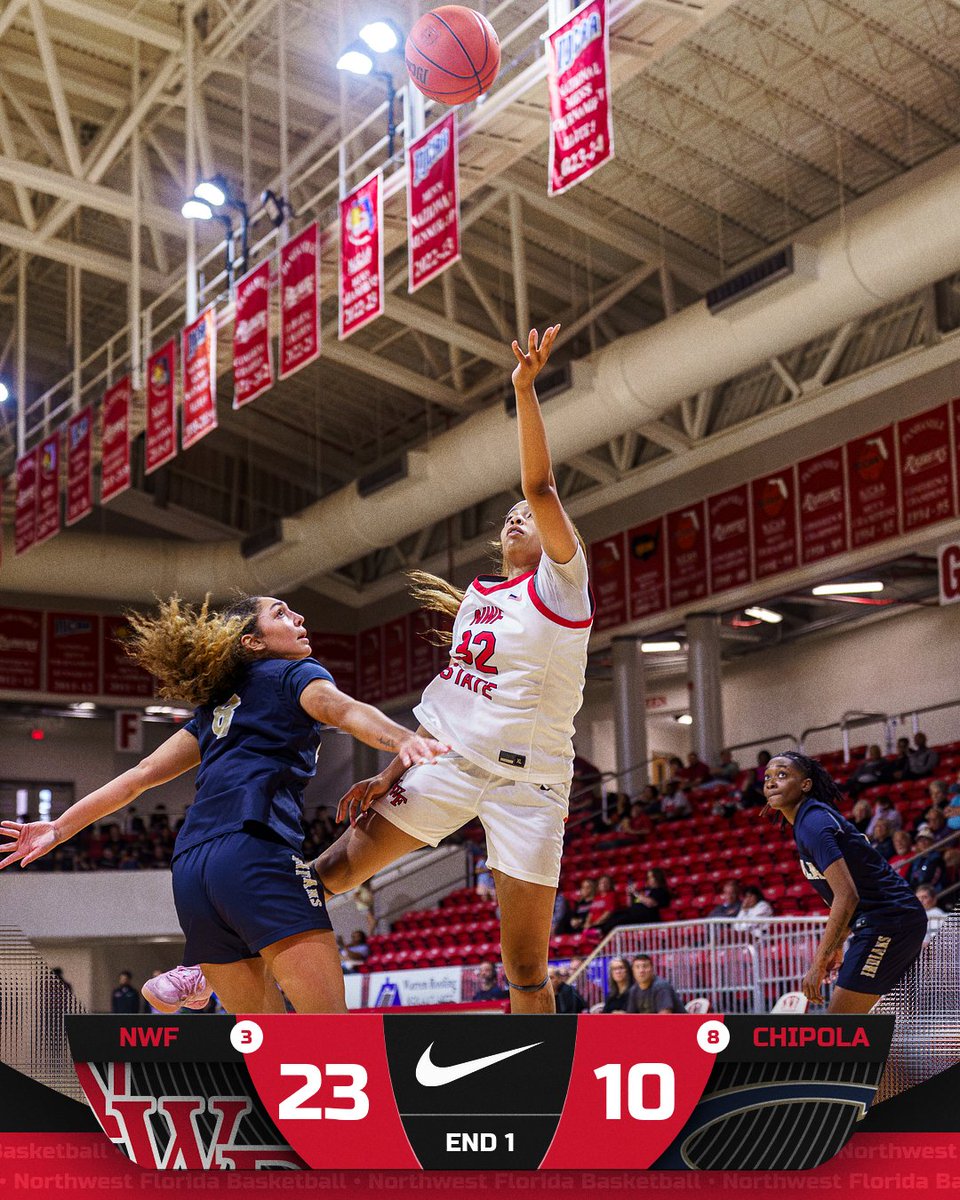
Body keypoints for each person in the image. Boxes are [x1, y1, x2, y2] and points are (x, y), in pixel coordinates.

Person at [310, 325, 593, 1015]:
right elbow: (448, 707)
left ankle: (541, 1087)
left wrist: (524, 390)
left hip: (533, 785)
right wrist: (389, 771)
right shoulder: (479, 599)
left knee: (525, 967)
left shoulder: (563, 586)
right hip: (452, 761)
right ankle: (223, 979)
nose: (521, 515)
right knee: (329, 874)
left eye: (532, 515)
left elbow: (540, 483)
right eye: (512, 516)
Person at [0, 594, 446, 1016]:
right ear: (253, 642)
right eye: (282, 614)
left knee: (266, 1043)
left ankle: (197, 977)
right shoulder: (295, 674)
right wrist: (402, 739)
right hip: (254, 852)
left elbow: (139, 778)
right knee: (328, 1032)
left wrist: (60, 827)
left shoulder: (217, 707)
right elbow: (343, 710)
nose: (299, 619)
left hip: (192, 869)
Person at [763, 751, 926, 1014]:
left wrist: (819, 962)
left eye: (782, 775)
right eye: (767, 777)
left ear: (806, 784)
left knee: (840, 1029)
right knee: (868, 1033)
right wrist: (837, 944)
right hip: (885, 921)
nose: (771, 782)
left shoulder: (812, 822)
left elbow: (847, 896)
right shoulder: (809, 820)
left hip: (889, 921)